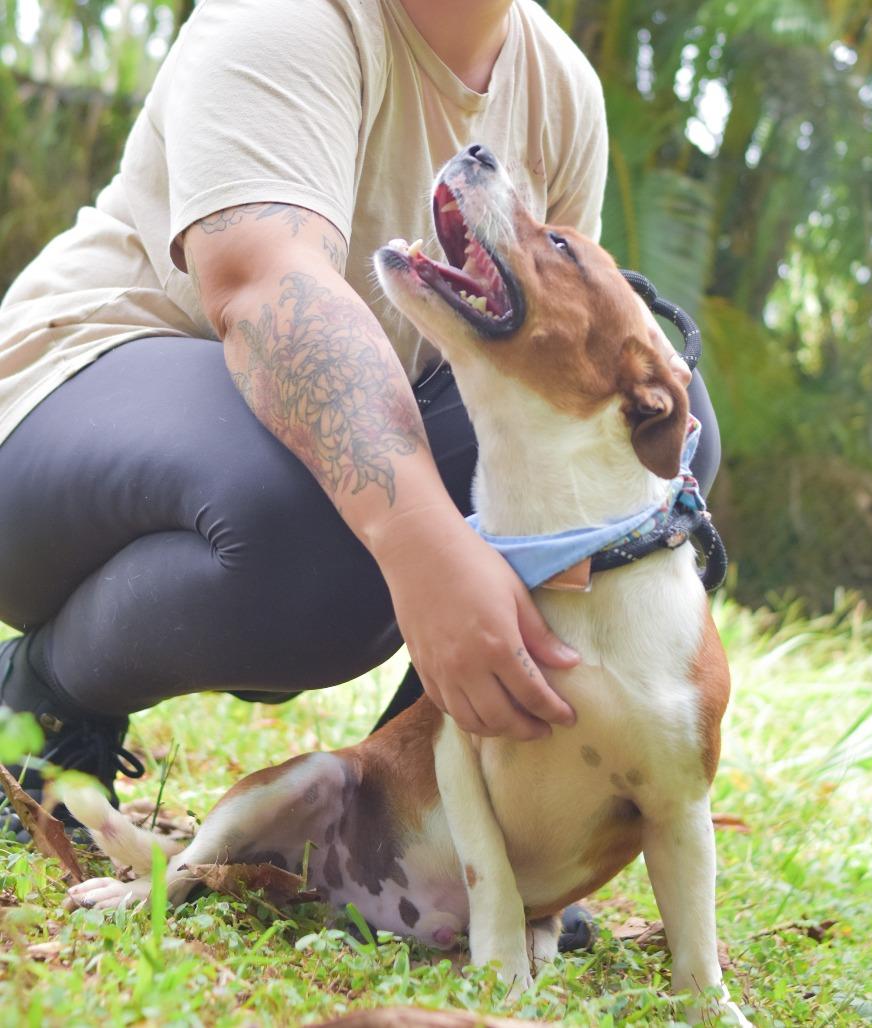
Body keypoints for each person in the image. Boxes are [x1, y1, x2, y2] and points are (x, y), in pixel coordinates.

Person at [0, 0, 720, 879]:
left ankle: (425, 827)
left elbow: (557, 360)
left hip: (279, 447)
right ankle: (42, 698)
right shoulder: (290, 18)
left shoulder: (560, 84)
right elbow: (267, 286)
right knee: (332, 507)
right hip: (61, 407)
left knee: (649, 438)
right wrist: (422, 546)